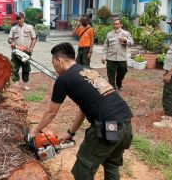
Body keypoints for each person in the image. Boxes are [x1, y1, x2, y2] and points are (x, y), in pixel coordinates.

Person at [29, 42, 133, 180]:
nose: (54, 67)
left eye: (53, 63)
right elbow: (84, 108)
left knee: (83, 169)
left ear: (59, 60)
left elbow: (51, 112)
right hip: (124, 124)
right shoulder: (88, 70)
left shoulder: (63, 79)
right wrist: (71, 132)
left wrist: (34, 132)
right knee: (111, 163)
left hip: (107, 127)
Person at [102, 19, 134, 90]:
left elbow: (132, 43)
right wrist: (104, 56)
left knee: (123, 70)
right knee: (110, 73)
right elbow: (105, 46)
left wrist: (126, 40)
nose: (115, 25)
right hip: (111, 57)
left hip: (121, 57)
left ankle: (119, 82)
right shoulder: (109, 34)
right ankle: (112, 86)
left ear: (121, 25)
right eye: (114, 24)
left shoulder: (126, 33)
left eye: (117, 24)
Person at [8, 12, 37, 90]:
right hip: (15, 51)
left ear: (23, 18)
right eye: (16, 18)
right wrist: (12, 43)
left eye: (19, 18)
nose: (18, 20)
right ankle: (16, 83)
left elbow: (34, 38)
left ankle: (25, 84)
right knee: (14, 68)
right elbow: (9, 39)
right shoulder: (13, 28)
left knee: (26, 68)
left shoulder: (30, 27)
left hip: (26, 52)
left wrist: (31, 48)